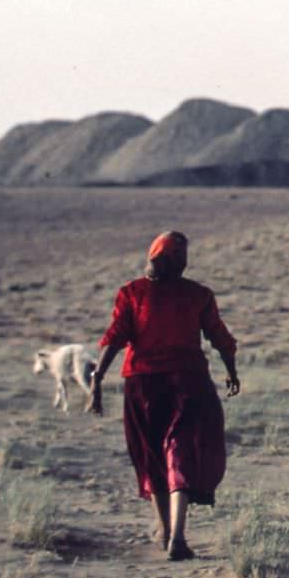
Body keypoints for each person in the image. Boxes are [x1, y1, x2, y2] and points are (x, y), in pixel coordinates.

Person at [87, 231, 240, 561]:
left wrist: (98, 378)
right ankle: (177, 535)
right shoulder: (197, 295)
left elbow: (115, 338)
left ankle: (166, 530)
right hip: (189, 382)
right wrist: (231, 371)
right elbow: (221, 338)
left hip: (143, 385)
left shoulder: (133, 293)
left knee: (151, 454)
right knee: (180, 452)